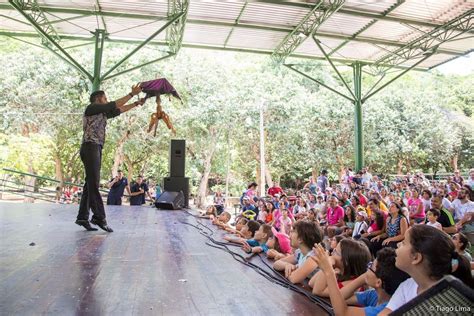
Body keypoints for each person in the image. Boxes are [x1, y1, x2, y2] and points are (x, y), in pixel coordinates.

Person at [75, 85, 144, 232]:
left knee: (89, 184)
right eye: (105, 98)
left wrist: (136, 104)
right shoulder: (91, 108)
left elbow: (119, 110)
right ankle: (99, 217)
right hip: (90, 147)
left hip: (96, 148)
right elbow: (114, 104)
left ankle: (82, 217)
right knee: (93, 184)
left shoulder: (102, 113)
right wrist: (132, 94)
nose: (107, 100)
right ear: (98, 99)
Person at [379, 225, 473, 315]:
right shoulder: (407, 286)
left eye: (403, 242)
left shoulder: (450, 301)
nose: (398, 245)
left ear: (416, 257)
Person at [311, 245, 410, 316]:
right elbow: (340, 298)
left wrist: (329, 272)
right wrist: (365, 276)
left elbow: (342, 312)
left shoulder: (383, 309)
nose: (367, 268)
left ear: (378, 282)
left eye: (371, 266)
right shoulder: (374, 294)